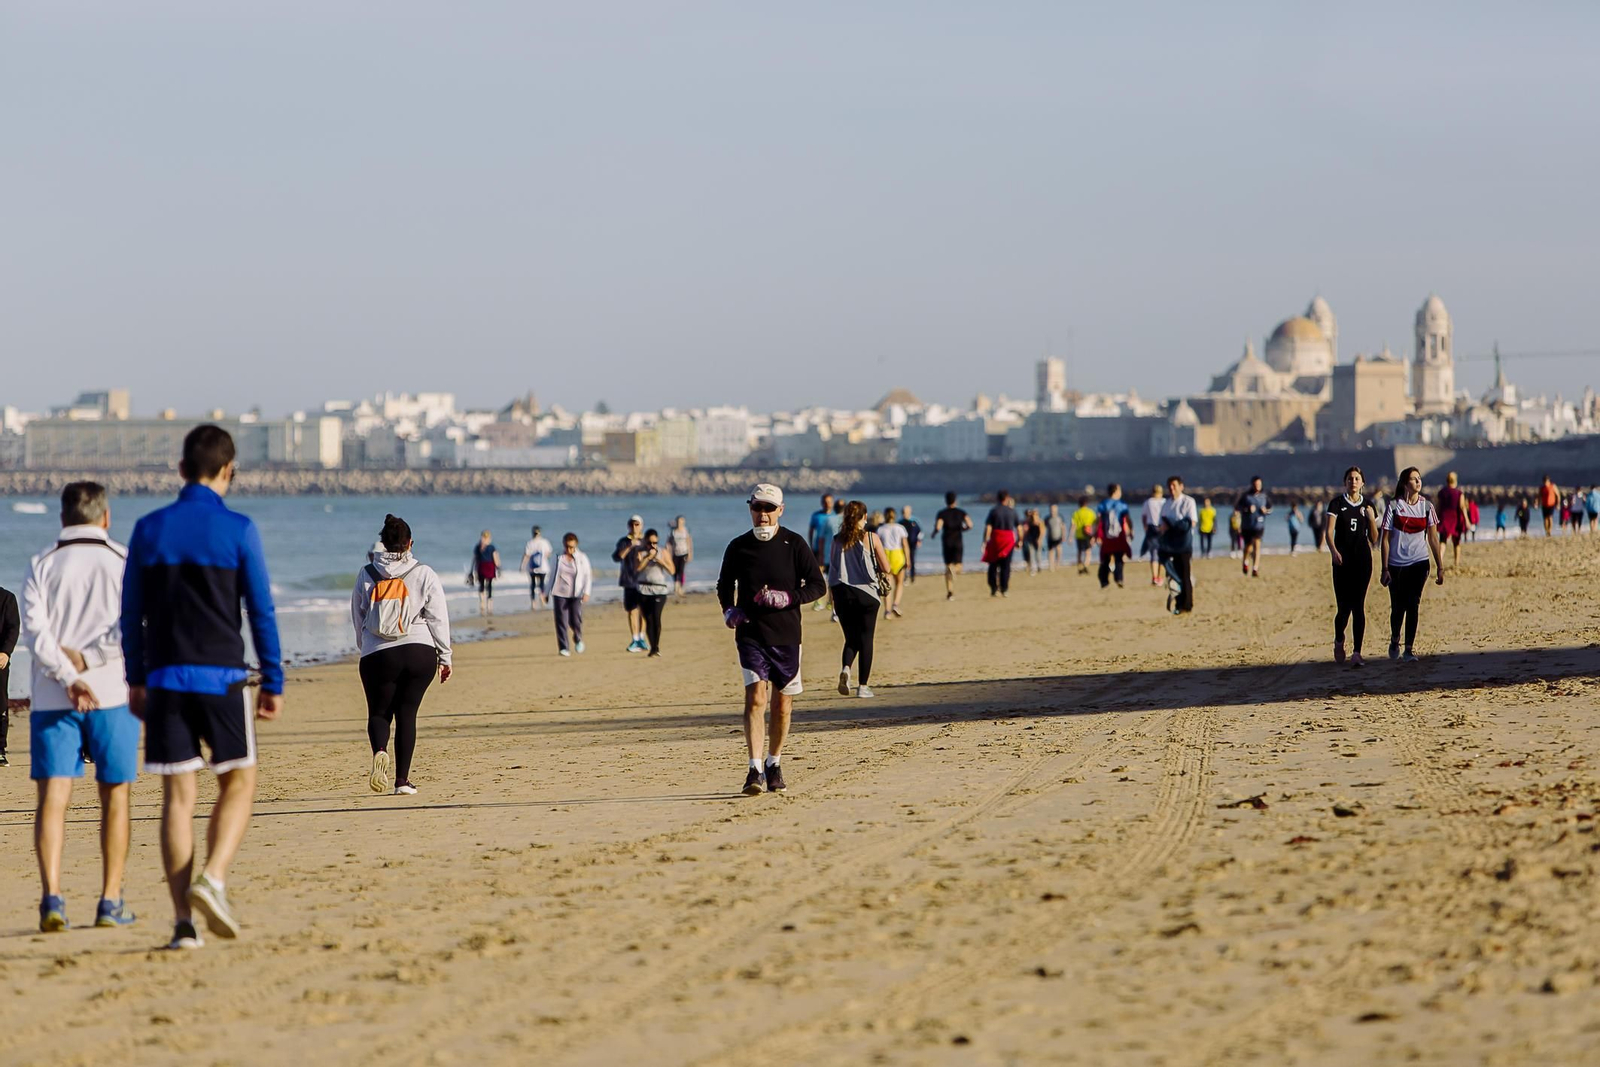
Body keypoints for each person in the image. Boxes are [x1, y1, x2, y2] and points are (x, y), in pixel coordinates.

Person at [122, 425, 284, 950]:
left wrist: (135, 677)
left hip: (165, 678)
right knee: (239, 780)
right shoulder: (239, 529)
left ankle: (182, 926)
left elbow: (130, 614)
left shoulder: (148, 529)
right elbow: (260, 610)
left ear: (181, 469)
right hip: (222, 677)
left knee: (177, 797)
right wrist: (273, 679)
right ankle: (212, 877)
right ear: (228, 470)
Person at [24, 482, 140, 932]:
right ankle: (110, 899)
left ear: (62, 517)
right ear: (106, 517)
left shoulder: (42, 562)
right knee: (115, 795)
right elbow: (133, 623)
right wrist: (88, 662)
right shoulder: (123, 560)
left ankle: (52, 897)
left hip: (54, 695)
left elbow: (36, 634)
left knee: (53, 797)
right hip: (111, 692)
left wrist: (68, 675)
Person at [716, 484, 826, 795]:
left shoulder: (795, 544)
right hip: (750, 634)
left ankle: (773, 764)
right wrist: (729, 610)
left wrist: (787, 597)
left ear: (780, 510)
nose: (762, 514)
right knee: (756, 698)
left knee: (782, 705)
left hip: (787, 635)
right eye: (757, 507)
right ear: (750, 508)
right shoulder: (738, 546)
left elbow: (818, 586)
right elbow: (724, 585)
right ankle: (754, 769)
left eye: (769, 508)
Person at [353, 514, 452, 797]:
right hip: (418, 651)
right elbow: (438, 618)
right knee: (407, 714)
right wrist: (445, 656)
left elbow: (358, 616)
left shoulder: (366, 574)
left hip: (377, 654)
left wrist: (366, 648)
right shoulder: (424, 573)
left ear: (383, 544)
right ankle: (402, 781)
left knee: (379, 712)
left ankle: (379, 750)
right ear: (410, 543)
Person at [1379, 466, 1445, 663]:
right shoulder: (1393, 506)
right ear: (1405, 484)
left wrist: (1440, 566)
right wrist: (1384, 568)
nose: (1418, 482)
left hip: (1419, 562)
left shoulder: (1427, 507)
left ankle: (1408, 649)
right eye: (1414, 479)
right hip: (1396, 565)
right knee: (1397, 607)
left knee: (1413, 604)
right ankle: (1395, 639)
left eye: (1419, 478)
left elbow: (1433, 539)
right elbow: (1385, 540)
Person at [830, 500, 891, 698]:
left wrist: (831, 597)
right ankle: (863, 686)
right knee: (866, 639)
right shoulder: (871, 538)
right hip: (866, 594)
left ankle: (846, 669)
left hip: (841, 593)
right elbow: (886, 567)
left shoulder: (837, 539)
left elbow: (833, 568)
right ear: (864, 517)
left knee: (851, 638)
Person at [1325, 466, 1379, 667]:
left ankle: (1357, 652)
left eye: (1357, 478)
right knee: (1343, 608)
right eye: (1350, 479)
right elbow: (1328, 532)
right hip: (1342, 561)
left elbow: (1374, 539)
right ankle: (1339, 639)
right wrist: (1333, 551)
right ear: (1345, 482)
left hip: (1362, 561)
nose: (1353, 482)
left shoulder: (1368, 505)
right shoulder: (1337, 504)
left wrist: (1371, 519)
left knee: (1358, 606)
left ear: (1362, 482)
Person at [628, 528, 676, 657]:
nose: (652, 546)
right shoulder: (639, 552)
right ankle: (652, 647)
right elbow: (637, 568)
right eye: (649, 543)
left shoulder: (663, 552)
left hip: (659, 589)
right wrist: (648, 557)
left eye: (655, 543)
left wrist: (660, 561)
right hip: (643, 589)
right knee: (648, 619)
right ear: (645, 542)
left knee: (656, 617)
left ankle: (656, 647)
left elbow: (672, 570)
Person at [1157, 475, 1198, 614]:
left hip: (1184, 543)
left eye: (1174, 485)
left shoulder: (1188, 501)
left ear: (1181, 486)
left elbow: (1191, 522)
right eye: (1169, 486)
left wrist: (1172, 524)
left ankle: (1187, 605)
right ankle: (1179, 603)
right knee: (1173, 573)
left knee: (1185, 574)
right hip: (1170, 543)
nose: (1171, 488)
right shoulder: (1166, 504)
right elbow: (1162, 524)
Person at [549, 533, 592, 657]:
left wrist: (587, 592)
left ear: (576, 545)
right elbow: (552, 575)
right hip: (559, 593)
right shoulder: (558, 557)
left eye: (572, 547)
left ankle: (578, 638)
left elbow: (587, 576)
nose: (569, 549)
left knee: (575, 620)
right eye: (567, 547)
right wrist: (545, 592)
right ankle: (564, 647)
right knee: (561, 621)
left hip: (576, 593)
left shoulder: (582, 558)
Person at [613, 516, 647, 650]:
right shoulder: (623, 541)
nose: (634, 527)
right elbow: (617, 557)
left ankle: (642, 637)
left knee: (644, 610)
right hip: (629, 580)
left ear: (641, 526)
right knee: (632, 610)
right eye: (632, 525)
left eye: (637, 525)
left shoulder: (645, 541)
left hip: (644, 580)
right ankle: (635, 638)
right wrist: (630, 546)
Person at [981, 490, 1020, 597]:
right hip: (1008, 540)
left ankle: (994, 587)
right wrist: (1019, 540)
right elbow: (1019, 528)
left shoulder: (994, 511)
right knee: (1006, 566)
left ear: (997, 498)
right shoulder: (1012, 512)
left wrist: (985, 540)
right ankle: (1004, 588)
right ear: (1007, 498)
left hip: (996, 539)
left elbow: (988, 527)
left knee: (993, 564)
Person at [933, 492, 971, 601]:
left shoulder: (942, 513)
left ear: (946, 501)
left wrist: (934, 532)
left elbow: (938, 527)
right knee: (958, 566)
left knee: (948, 566)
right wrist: (963, 529)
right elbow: (970, 524)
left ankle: (950, 592)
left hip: (947, 541)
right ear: (955, 500)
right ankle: (954, 570)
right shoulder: (961, 512)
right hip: (957, 541)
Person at [1095, 483, 1132, 589]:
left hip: (1106, 536)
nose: (1121, 492)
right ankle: (1118, 578)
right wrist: (1131, 530)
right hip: (1119, 535)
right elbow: (1127, 519)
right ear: (1115, 491)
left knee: (1106, 558)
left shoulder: (1103, 504)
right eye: (1119, 490)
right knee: (1119, 557)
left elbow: (1098, 520)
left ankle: (1104, 580)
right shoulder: (1122, 504)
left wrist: (1096, 534)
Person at [876, 507, 909, 617]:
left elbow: (877, 546)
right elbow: (905, 545)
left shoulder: (880, 529)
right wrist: (908, 559)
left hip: (886, 555)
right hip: (898, 555)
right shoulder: (900, 528)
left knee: (887, 585)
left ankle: (887, 611)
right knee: (899, 583)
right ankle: (895, 604)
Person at [808, 494, 837, 613]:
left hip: (832, 550)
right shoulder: (816, 516)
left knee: (832, 576)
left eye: (829, 501)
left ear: (832, 503)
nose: (827, 504)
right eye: (825, 502)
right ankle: (818, 600)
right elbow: (811, 531)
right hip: (817, 549)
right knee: (819, 575)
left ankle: (831, 601)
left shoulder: (836, 516)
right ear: (821, 503)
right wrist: (811, 545)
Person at [1237, 476, 1271, 577]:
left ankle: (1255, 568)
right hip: (1247, 526)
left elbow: (1270, 509)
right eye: (1256, 484)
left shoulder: (1264, 496)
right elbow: (1237, 507)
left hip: (1259, 525)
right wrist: (1247, 509)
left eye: (1259, 484)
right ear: (1252, 485)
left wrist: (1266, 511)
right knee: (1248, 547)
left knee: (1257, 545)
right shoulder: (1246, 496)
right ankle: (1245, 561)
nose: (1257, 486)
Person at [1436, 472, 1469, 568]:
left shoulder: (1442, 492)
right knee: (1456, 542)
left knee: (1442, 541)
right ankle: (1456, 563)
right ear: (1456, 481)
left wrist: (1435, 518)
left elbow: (1438, 506)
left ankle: (1440, 561)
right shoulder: (1459, 493)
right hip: (1455, 519)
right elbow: (1462, 507)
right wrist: (1467, 520)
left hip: (1444, 518)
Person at [518, 525, 554, 610]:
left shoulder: (530, 543)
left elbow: (526, 555)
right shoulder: (544, 542)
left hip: (532, 567)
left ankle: (533, 602)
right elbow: (549, 553)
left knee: (533, 584)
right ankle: (542, 599)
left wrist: (522, 566)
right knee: (542, 584)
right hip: (543, 567)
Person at [0, 584, 16, 768]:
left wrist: (6, 652)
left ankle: (0, 750)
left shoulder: (7, 598)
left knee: (0, 704)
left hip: (0, 660)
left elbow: (13, 627)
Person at [1140, 485, 1165, 586]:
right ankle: (1160, 576)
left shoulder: (1148, 502)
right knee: (1162, 553)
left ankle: (1154, 577)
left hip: (1151, 528)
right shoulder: (1164, 502)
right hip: (1163, 527)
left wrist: (1145, 527)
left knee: (1153, 553)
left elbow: (1143, 516)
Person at [470, 531, 500, 616]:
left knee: (481, 585)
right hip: (490, 566)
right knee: (489, 585)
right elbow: (495, 557)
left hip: (481, 566)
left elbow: (474, 559)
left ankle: (482, 603)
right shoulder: (491, 547)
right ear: (489, 538)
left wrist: (472, 569)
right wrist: (498, 567)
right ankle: (489, 604)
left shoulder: (478, 547)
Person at [668, 515, 694, 599]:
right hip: (675, 554)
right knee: (674, 571)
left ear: (684, 522)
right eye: (678, 521)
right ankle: (676, 587)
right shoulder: (673, 532)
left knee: (681, 570)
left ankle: (681, 588)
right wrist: (668, 553)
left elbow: (689, 542)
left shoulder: (685, 531)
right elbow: (669, 543)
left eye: (681, 521)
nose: (680, 523)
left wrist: (690, 553)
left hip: (684, 553)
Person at [1070, 497, 1096, 574]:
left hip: (1079, 535)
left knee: (1079, 551)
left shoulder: (1076, 513)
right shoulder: (1091, 512)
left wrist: (1070, 536)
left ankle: (1079, 566)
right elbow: (1095, 524)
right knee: (1088, 551)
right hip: (1088, 535)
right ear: (1087, 503)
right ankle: (1085, 565)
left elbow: (1073, 525)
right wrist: (1095, 536)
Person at [901, 505, 922, 583]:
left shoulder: (914, 521)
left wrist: (919, 540)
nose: (905, 514)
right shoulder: (900, 522)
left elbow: (920, 532)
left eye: (906, 512)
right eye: (904, 512)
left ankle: (912, 576)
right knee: (904, 560)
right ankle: (904, 576)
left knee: (912, 559)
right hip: (903, 544)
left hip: (913, 543)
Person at [1020, 507, 1043, 576]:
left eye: (1035, 514)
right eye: (1033, 514)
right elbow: (1027, 531)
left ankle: (1039, 566)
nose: (1034, 515)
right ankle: (1033, 568)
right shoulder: (1030, 522)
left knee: (1038, 554)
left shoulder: (1040, 522)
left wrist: (1039, 539)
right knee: (1031, 554)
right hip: (1030, 540)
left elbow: (1042, 532)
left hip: (1037, 540)